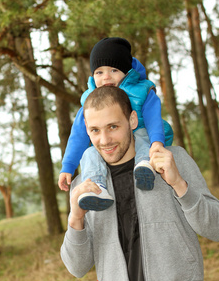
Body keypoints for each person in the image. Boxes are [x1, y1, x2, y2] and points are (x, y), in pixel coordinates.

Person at [60, 86, 219, 281]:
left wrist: (179, 185)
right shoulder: (85, 186)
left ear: (132, 120)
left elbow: (217, 228)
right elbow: (77, 268)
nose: (104, 140)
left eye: (113, 127)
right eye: (95, 130)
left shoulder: (172, 159)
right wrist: (76, 219)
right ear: (86, 127)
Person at [58, 37, 173, 211]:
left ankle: (144, 167)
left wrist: (157, 143)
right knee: (89, 153)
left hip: (144, 135)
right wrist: (68, 166)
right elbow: (78, 135)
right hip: (114, 145)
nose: (106, 77)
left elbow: (153, 119)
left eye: (113, 70)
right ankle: (97, 188)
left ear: (126, 72)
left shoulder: (141, 90)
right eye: (99, 72)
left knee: (141, 135)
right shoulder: (90, 101)